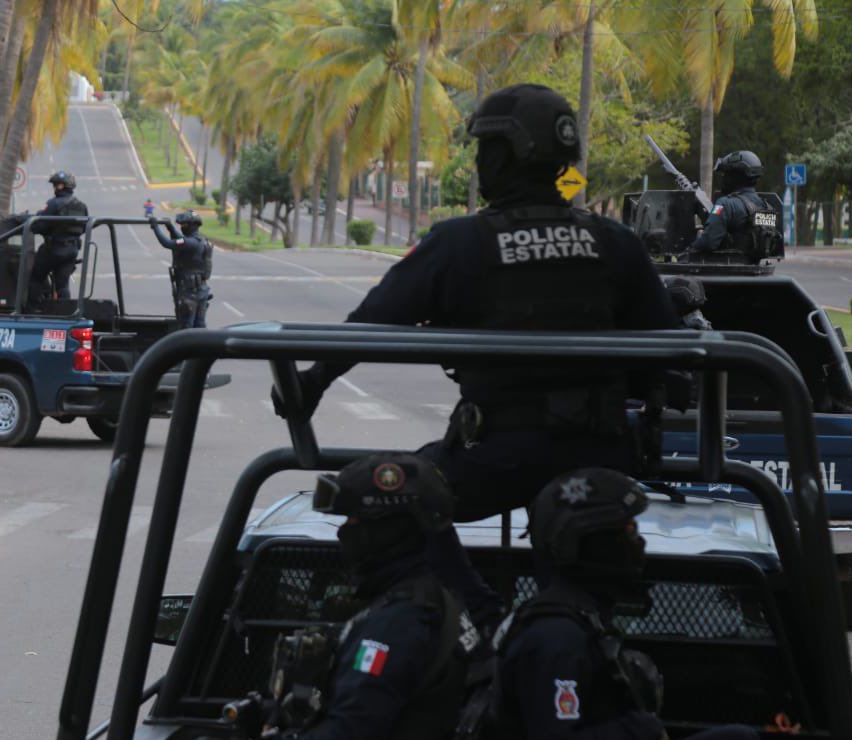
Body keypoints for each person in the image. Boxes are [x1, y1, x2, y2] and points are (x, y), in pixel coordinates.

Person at [271, 83, 681, 628]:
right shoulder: (615, 242)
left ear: (512, 155)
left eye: (487, 149)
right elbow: (669, 357)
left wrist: (312, 383)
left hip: (496, 454)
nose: (481, 161)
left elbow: (371, 322)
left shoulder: (461, 243)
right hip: (602, 456)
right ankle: (566, 623)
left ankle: (487, 624)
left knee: (402, 495)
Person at [158, 453, 473, 740]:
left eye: (354, 522)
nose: (344, 534)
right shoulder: (426, 603)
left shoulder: (399, 624)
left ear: (389, 531)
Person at [497, 468, 803, 740]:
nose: (639, 544)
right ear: (586, 543)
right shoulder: (557, 639)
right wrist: (640, 736)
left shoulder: (582, 617)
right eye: (627, 532)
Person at [687, 151, 773, 259]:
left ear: (736, 176)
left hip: (726, 269)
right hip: (755, 268)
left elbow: (708, 242)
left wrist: (689, 249)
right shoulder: (767, 207)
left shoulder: (725, 204)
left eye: (726, 174)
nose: (723, 178)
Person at [27, 170, 88, 308]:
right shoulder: (81, 206)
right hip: (72, 251)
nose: (54, 188)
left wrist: (29, 222)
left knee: (36, 278)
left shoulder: (54, 204)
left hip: (53, 249)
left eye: (55, 185)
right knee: (63, 284)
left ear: (61, 186)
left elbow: (39, 226)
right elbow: (84, 228)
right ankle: (65, 312)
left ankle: (33, 310)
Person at [151, 211, 214, 328]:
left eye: (185, 225)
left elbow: (167, 243)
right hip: (201, 290)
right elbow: (183, 241)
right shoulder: (203, 241)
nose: (182, 227)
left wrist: (155, 227)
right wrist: (170, 228)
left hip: (190, 293)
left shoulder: (189, 242)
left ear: (193, 225)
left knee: (186, 327)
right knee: (199, 326)